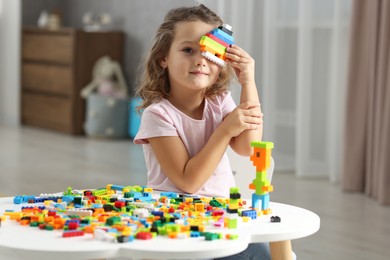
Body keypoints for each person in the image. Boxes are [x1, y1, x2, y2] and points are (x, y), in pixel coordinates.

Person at [134, 4, 270, 259]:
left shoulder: (219, 102)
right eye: (188, 50)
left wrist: (247, 81)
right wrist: (224, 131)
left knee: (259, 252)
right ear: (163, 57)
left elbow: (247, 148)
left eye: (210, 52)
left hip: (218, 217)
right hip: (175, 224)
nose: (200, 60)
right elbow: (188, 182)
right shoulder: (158, 114)